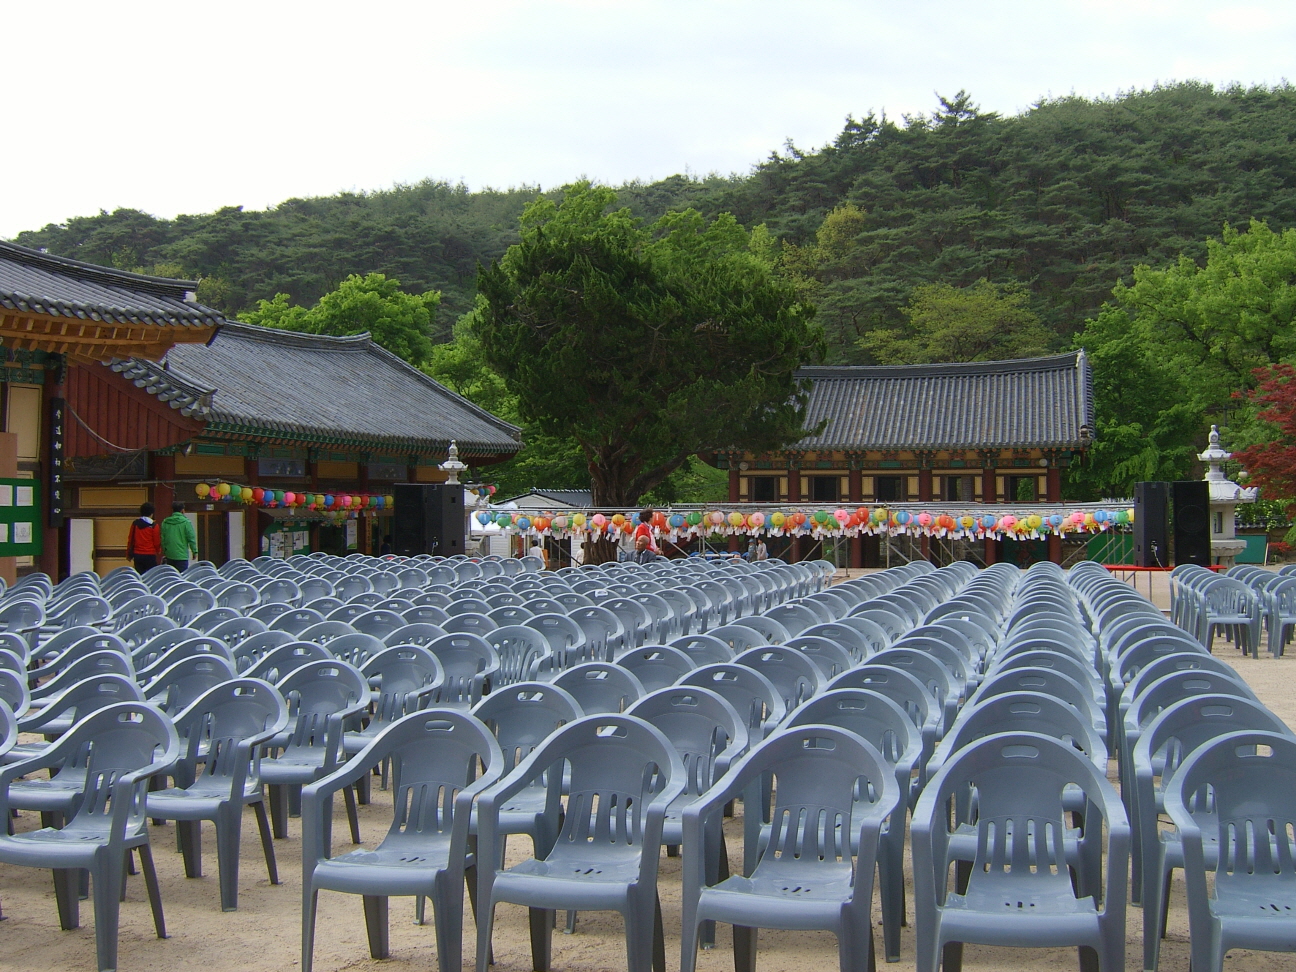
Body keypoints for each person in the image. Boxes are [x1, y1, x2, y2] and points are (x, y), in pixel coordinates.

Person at [160, 502, 199, 571]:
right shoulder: (186, 522)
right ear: (182, 510)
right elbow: (191, 538)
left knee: (171, 575)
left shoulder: (165, 522)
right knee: (182, 576)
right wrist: (194, 551)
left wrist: (165, 551)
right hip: (182, 556)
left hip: (169, 555)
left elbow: (163, 538)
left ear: (172, 510)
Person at [126, 502, 162, 574]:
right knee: (151, 576)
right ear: (152, 513)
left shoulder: (135, 524)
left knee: (139, 576)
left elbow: (131, 539)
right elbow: (156, 542)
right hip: (150, 555)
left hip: (138, 555)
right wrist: (158, 550)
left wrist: (128, 553)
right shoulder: (154, 526)